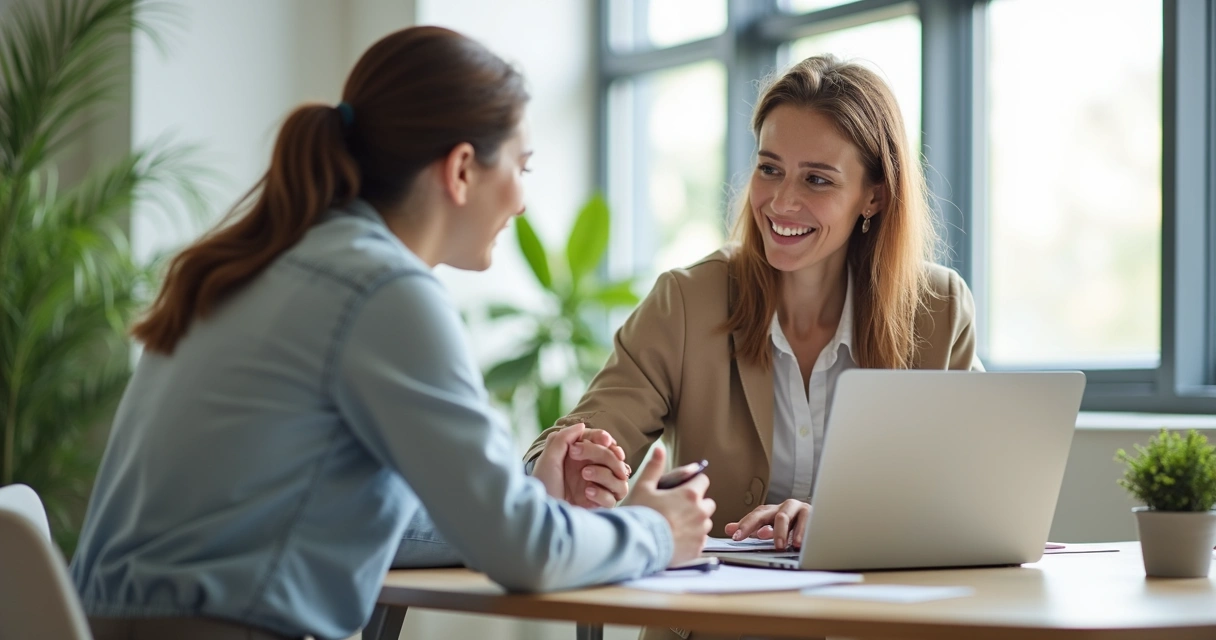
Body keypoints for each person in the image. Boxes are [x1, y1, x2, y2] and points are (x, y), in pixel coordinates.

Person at [69, 26, 714, 640]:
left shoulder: (269, 261)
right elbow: (521, 554)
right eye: (523, 166)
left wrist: (535, 502)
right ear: (461, 169)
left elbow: (360, 522)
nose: (522, 200)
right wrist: (653, 531)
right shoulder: (383, 291)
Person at [523, 54, 982, 639]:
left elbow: (968, 500)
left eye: (817, 179)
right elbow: (573, 439)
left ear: (874, 197)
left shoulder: (939, 308)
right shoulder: (687, 301)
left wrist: (841, 523)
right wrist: (576, 462)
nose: (782, 202)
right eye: (770, 169)